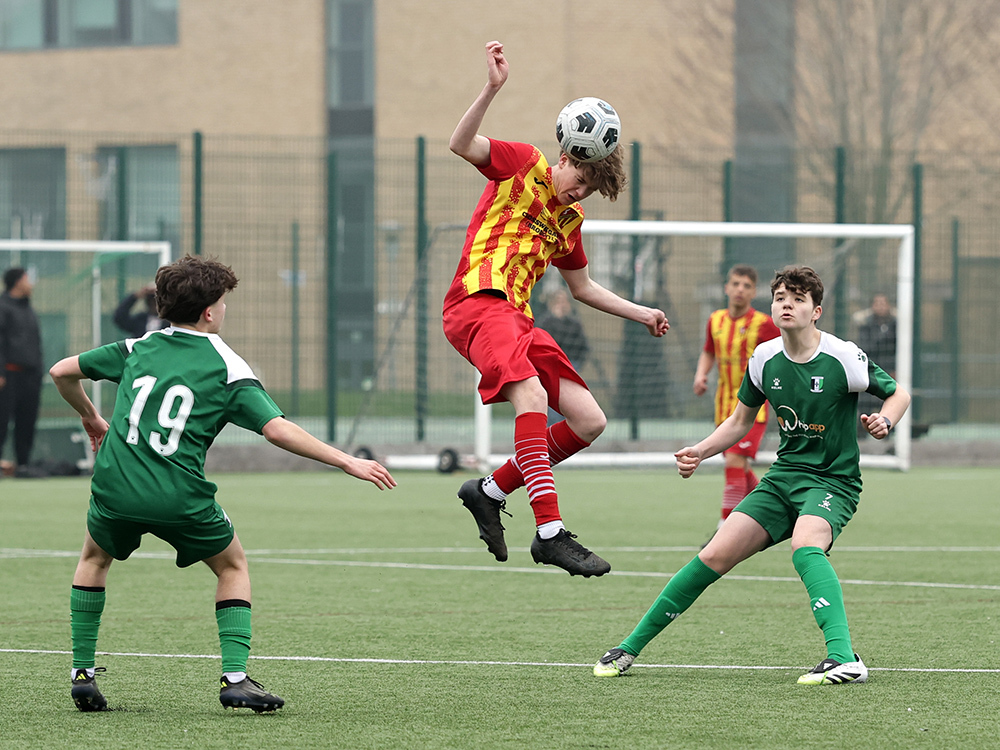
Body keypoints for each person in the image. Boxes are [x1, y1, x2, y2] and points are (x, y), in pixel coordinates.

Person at [49, 255, 396, 713]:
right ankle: (235, 678)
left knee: (94, 559)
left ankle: (81, 673)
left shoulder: (139, 348)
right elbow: (275, 428)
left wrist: (92, 417)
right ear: (210, 311)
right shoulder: (226, 365)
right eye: (223, 301)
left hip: (114, 488)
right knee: (232, 566)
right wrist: (346, 461)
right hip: (179, 496)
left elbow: (61, 371)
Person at [593, 265, 910, 685]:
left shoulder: (842, 356)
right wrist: (701, 451)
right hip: (782, 480)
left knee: (806, 546)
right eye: (780, 297)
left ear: (816, 311)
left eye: (798, 299)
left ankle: (844, 658)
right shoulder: (764, 358)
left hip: (832, 482)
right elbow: (741, 421)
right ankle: (628, 649)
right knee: (712, 556)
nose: (787, 304)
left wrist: (885, 422)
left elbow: (897, 393)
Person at [443, 41, 669, 578]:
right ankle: (549, 533)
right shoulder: (523, 163)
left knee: (590, 420)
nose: (581, 193)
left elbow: (584, 289)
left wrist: (641, 312)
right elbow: (460, 143)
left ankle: (490, 489)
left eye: (591, 189)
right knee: (533, 394)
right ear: (565, 156)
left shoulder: (569, 224)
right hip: (477, 304)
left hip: (518, 319)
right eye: (581, 179)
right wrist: (492, 88)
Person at [692, 265, 780, 543]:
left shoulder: (764, 324)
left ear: (754, 292)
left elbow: (780, 356)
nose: (740, 289)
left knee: (733, 461)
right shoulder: (715, 320)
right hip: (723, 407)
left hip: (754, 409)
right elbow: (708, 351)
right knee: (738, 467)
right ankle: (775, 508)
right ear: (726, 288)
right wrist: (701, 374)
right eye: (735, 284)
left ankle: (724, 530)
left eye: (746, 285)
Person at [0, 267, 43, 478]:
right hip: (8, 375)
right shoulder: (2, 306)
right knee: (2, 420)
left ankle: (23, 465)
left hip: (30, 376)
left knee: (27, 421)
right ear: (18, 282)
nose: (31, 284)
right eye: (28, 279)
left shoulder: (28, 309)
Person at [535, 288, 591, 426]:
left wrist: (576, 364)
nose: (561, 304)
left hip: (570, 365)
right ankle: (551, 431)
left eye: (564, 301)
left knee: (568, 402)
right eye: (558, 301)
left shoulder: (574, 323)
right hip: (551, 366)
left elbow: (583, 346)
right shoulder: (546, 322)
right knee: (552, 401)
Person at [856, 293, 897, 436]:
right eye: (876, 303)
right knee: (865, 402)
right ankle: (862, 432)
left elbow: (897, 348)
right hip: (871, 369)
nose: (880, 306)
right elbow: (867, 347)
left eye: (883, 303)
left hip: (890, 370)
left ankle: (888, 434)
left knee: (890, 397)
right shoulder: (866, 325)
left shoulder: (895, 325)